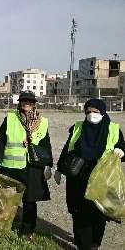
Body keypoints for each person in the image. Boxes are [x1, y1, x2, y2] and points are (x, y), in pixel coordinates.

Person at [54, 98, 125, 250]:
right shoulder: (78, 127)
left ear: (103, 113)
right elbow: (67, 149)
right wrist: (59, 169)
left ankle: (95, 242)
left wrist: (121, 151)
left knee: (99, 213)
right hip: (79, 177)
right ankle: (84, 245)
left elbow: (122, 148)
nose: (92, 115)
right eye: (88, 112)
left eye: (96, 112)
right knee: (79, 213)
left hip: (102, 179)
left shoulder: (113, 129)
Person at [0, 91, 53, 239]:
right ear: (19, 103)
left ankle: (27, 230)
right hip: (11, 166)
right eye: (24, 101)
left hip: (32, 167)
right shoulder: (10, 118)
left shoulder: (42, 121)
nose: (27, 103)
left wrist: (48, 165)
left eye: (30, 101)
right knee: (7, 199)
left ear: (34, 104)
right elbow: (1, 141)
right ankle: (2, 225)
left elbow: (46, 145)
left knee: (29, 201)